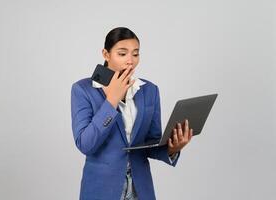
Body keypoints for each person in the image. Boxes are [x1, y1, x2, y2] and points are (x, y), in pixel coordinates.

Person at [71, 27, 193, 200]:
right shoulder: (83, 90)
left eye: (135, 54)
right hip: (102, 188)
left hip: (140, 187)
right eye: (122, 54)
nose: (130, 61)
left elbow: (150, 143)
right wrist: (111, 101)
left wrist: (173, 148)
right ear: (106, 54)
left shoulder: (149, 90)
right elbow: (86, 144)